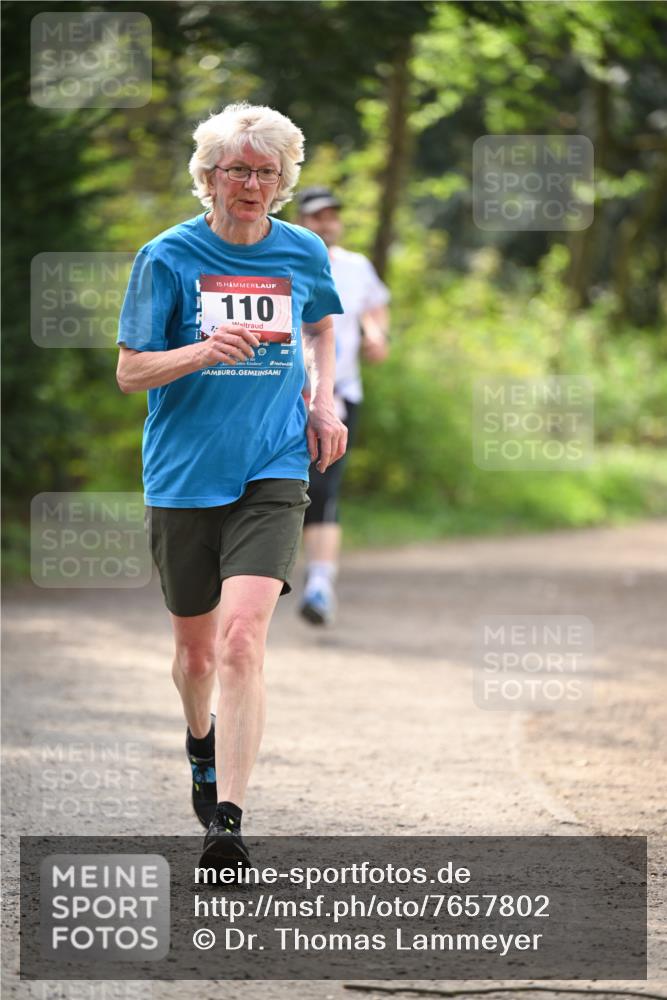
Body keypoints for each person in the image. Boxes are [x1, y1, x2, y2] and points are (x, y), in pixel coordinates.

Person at [116, 104, 346, 869]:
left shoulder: (301, 251)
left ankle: (229, 819)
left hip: (272, 466)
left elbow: (320, 325)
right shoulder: (167, 256)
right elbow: (129, 371)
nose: (251, 183)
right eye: (238, 169)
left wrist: (322, 399)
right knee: (196, 658)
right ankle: (198, 740)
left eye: (266, 171)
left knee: (243, 640)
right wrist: (201, 350)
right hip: (184, 472)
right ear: (209, 177)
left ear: (283, 182)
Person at [295, 186, 390, 625]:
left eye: (332, 215)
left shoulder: (356, 266)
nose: (327, 222)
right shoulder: (285, 261)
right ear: (302, 220)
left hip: (338, 395)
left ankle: (319, 585)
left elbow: (374, 306)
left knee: (323, 491)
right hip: (280, 397)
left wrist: (375, 333)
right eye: (317, 216)